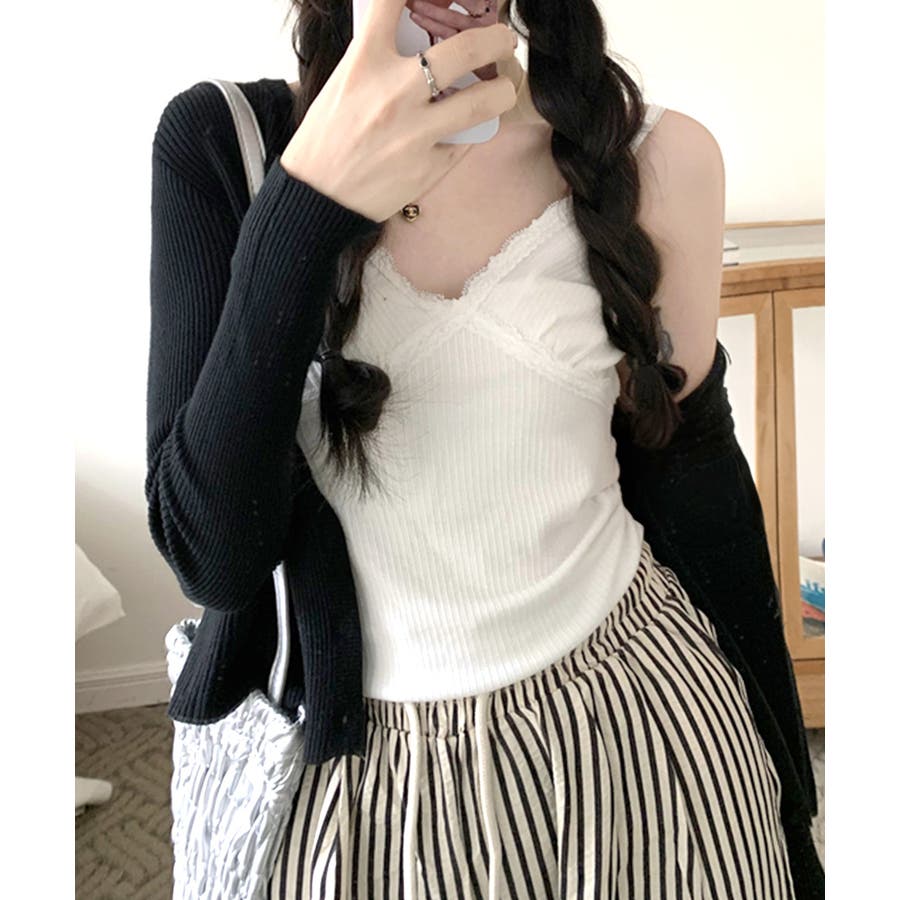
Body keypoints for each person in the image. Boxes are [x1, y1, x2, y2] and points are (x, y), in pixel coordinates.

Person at [147, 0, 819, 896]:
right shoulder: (221, 143)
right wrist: (307, 204)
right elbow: (214, 558)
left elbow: (705, 506)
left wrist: (791, 810)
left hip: (641, 727)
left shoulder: (656, 158)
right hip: (353, 792)